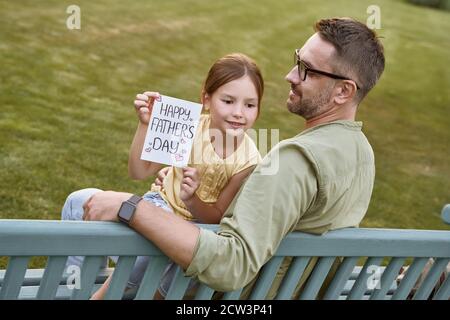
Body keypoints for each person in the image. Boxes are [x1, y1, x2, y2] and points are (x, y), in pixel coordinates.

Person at [82, 17, 386, 297]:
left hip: (220, 298)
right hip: (287, 290)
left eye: (307, 69)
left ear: (343, 91)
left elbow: (231, 265)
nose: (290, 75)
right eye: (297, 61)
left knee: (89, 207)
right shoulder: (360, 152)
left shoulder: (295, 160)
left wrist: (131, 207)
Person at [61, 53, 264, 299]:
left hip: (190, 235)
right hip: (155, 207)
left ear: (258, 108)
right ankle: (77, 285)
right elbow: (139, 171)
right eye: (229, 101)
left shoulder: (249, 160)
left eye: (250, 105)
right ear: (206, 99)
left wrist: (192, 200)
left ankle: (100, 296)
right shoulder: (189, 128)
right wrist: (145, 125)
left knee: (144, 253)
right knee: (78, 201)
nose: (239, 113)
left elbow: (218, 216)